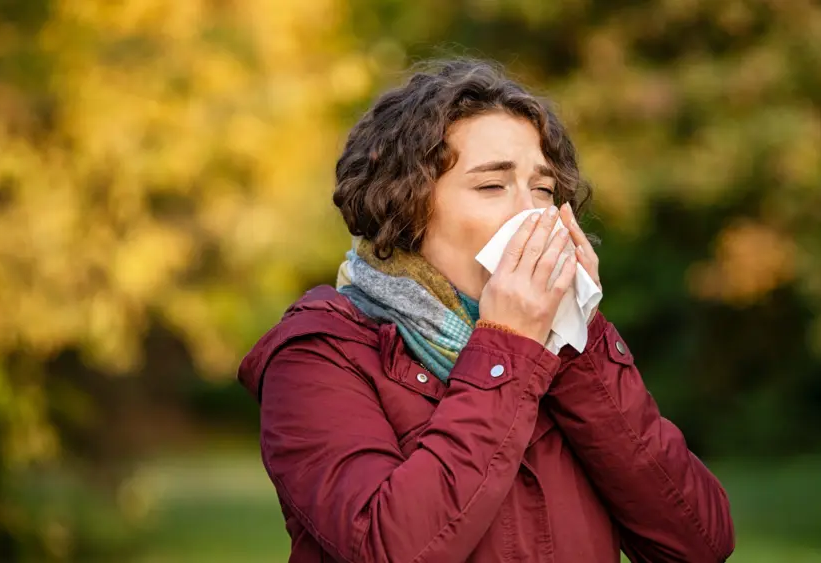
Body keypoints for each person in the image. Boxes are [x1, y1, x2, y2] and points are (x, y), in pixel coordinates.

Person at [238, 59, 735, 563]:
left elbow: (698, 543)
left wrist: (574, 336)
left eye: (542, 189)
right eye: (492, 186)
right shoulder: (317, 354)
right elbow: (392, 551)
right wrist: (508, 346)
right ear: (406, 207)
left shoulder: (560, 352)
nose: (530, 214)